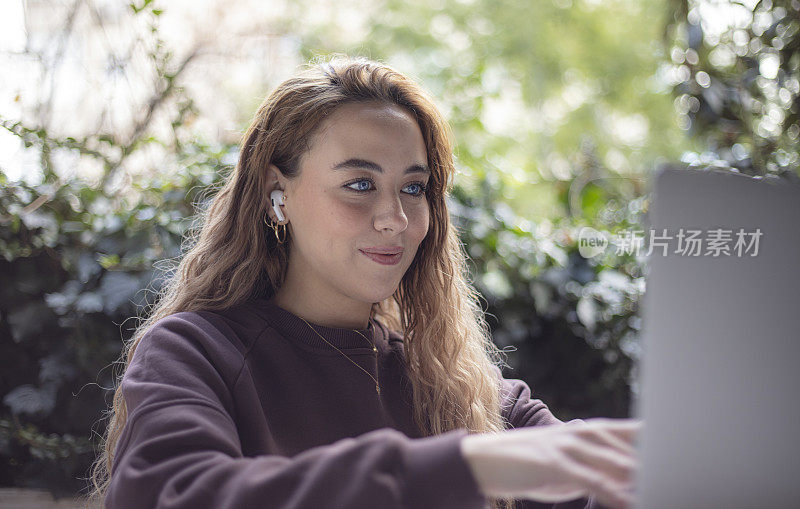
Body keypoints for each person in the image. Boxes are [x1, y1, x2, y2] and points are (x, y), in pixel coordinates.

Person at [87, 55, 641, 509]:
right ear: (276, 193)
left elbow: (595, 476)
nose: (394, 219)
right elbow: (173, 495)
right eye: (359, 183)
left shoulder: (457, 383)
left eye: (414, 188)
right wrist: (465, 467)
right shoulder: (194, 353)